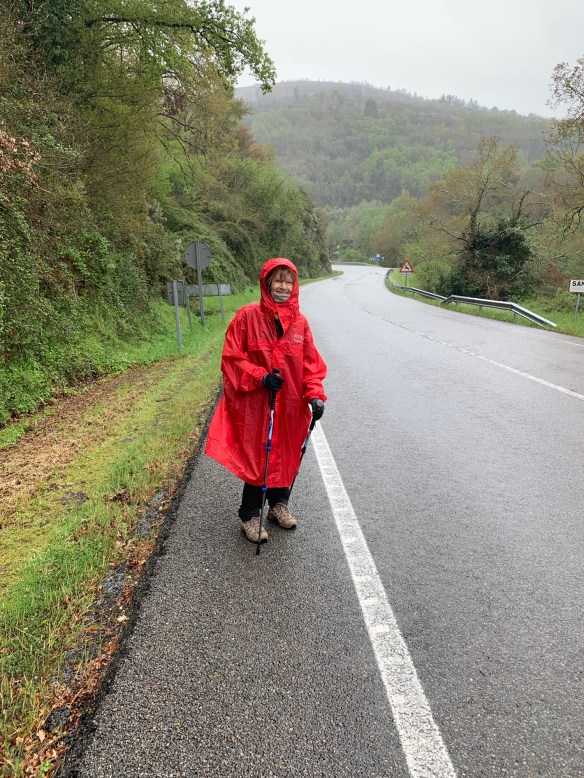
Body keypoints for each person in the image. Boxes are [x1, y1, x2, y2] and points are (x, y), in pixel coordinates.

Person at [205, 257, 327, 543]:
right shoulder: (247, 316)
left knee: (286, 452)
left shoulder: (300, 323)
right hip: (257, 405)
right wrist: (261, 376)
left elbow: (310, 364)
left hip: (291, 405)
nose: (283, 286)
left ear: (294, 285)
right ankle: (249, 515)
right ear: (268, 283)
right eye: (278, 280)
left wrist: (315, 395)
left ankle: (278, 505)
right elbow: (232, 358)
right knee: (259, 456)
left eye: (288, 281)